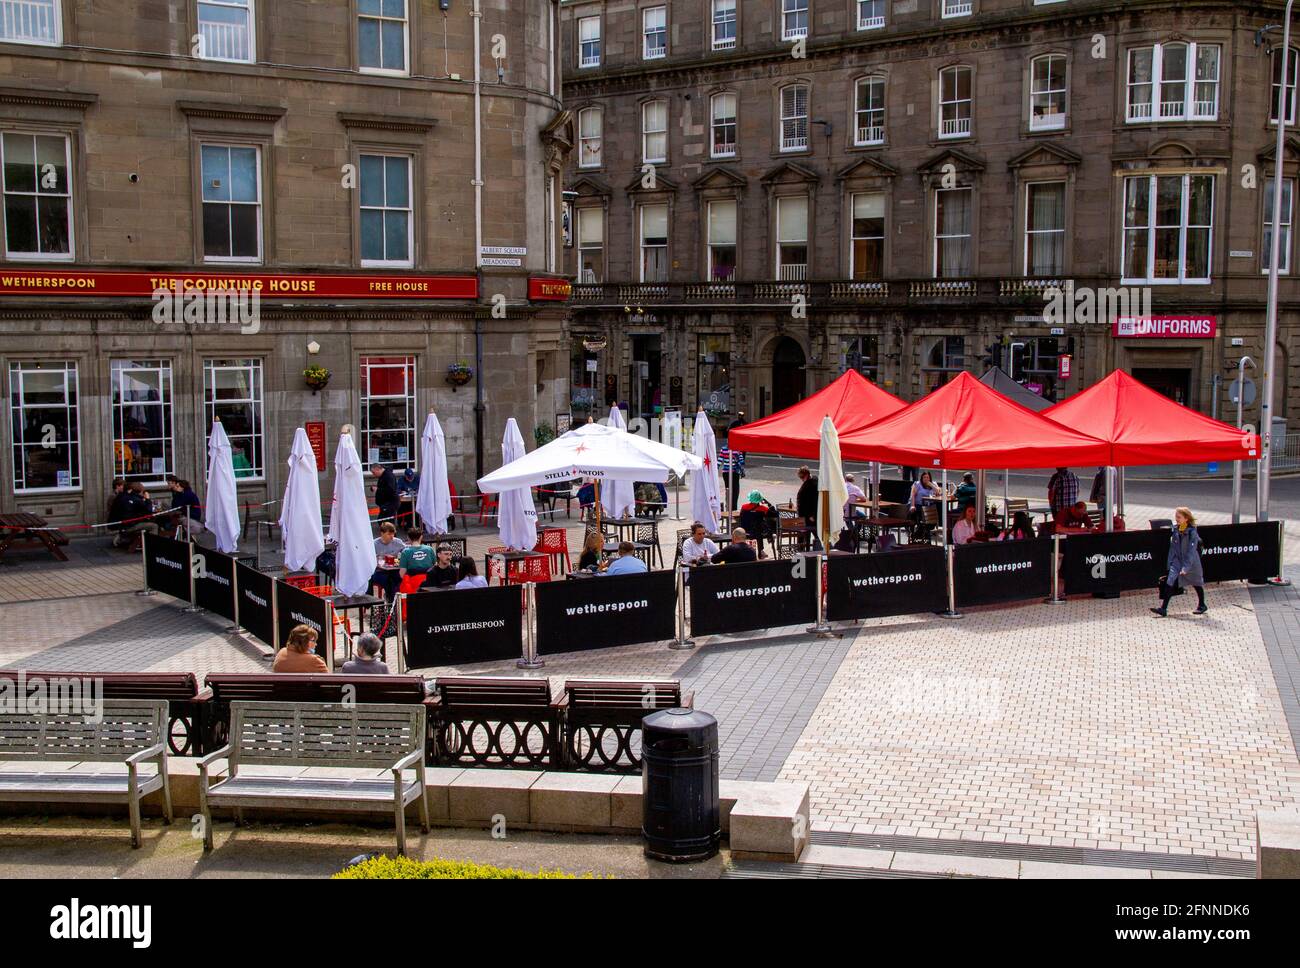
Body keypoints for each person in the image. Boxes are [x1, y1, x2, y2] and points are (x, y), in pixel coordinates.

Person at [1152, 507, 1207, 617]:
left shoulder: (1192, 532)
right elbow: (1173, 548)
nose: (1176, 519)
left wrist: (1186, 567)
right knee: (1170, 580)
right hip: (1178, 560)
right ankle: (1163, 609)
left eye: (1179, 517)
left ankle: (1202, 605)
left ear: (1186, 518)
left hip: (1191, 562)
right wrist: (1170, 563)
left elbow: (1191, 551)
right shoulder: (1176, 530)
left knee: (1196, 582)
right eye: (1176, 516)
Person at [110, 482, 160, 548]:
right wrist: (147, 499)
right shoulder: (136, 499)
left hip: (119, 524)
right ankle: (151, 546)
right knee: (154, 526)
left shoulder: (120, 496)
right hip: (129, 525)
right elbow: (148, 511)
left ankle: (123, 536)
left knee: (145, 521)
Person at [371, 522, 406, 600]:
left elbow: (407, 551)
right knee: (388, 581)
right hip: (380, 571)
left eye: (393, 534)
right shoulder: (374, 544)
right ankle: (391, 600)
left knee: (400, 579)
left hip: (394, 570)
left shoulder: (398, 542)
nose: (392, 536)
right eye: (389, 534)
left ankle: (396, 600)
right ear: (382, 533)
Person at [795, 466, 819, 530]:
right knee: (807, 535)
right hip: (806, 516)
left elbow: (816, 500)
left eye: (802, 477)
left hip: (809, 516)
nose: (801, 479)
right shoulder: (814, 479)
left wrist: (813, 515)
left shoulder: (813, 483)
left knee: (810, 534)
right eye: (800, 477)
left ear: (807, 475)